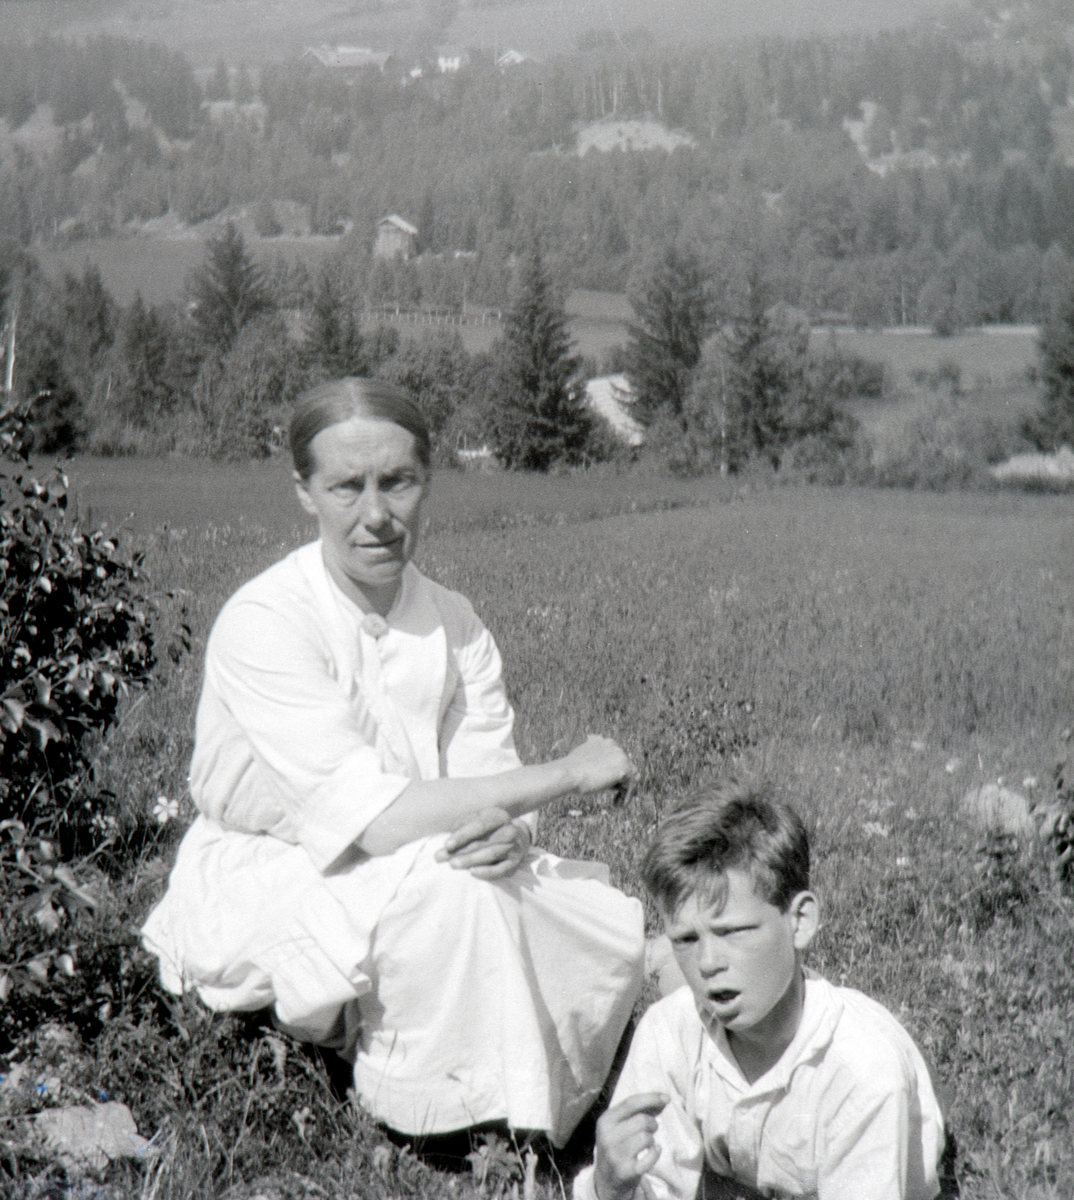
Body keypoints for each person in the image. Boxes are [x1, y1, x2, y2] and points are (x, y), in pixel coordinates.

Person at [142, 377, 645, 1149]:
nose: (375, 515)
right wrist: (568, 773)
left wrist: (508, 832)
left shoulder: (455, 620)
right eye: (346, 486)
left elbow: (488, 770)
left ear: (427, 483)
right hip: (282, 868)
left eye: (397, 482)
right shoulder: (265, 620)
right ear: (304, 492)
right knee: (457, 899)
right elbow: (366, 821)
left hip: (427, 854)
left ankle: (502, 1098)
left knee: (571, 906)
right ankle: (435, 1117)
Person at [574, 784, 945, 1200]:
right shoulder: (670, 1031)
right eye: (685, 939)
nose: (708, 962)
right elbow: (654, 1189)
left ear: (799, 922)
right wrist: (611, 1185)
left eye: (733, 931)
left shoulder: (861, 1070)